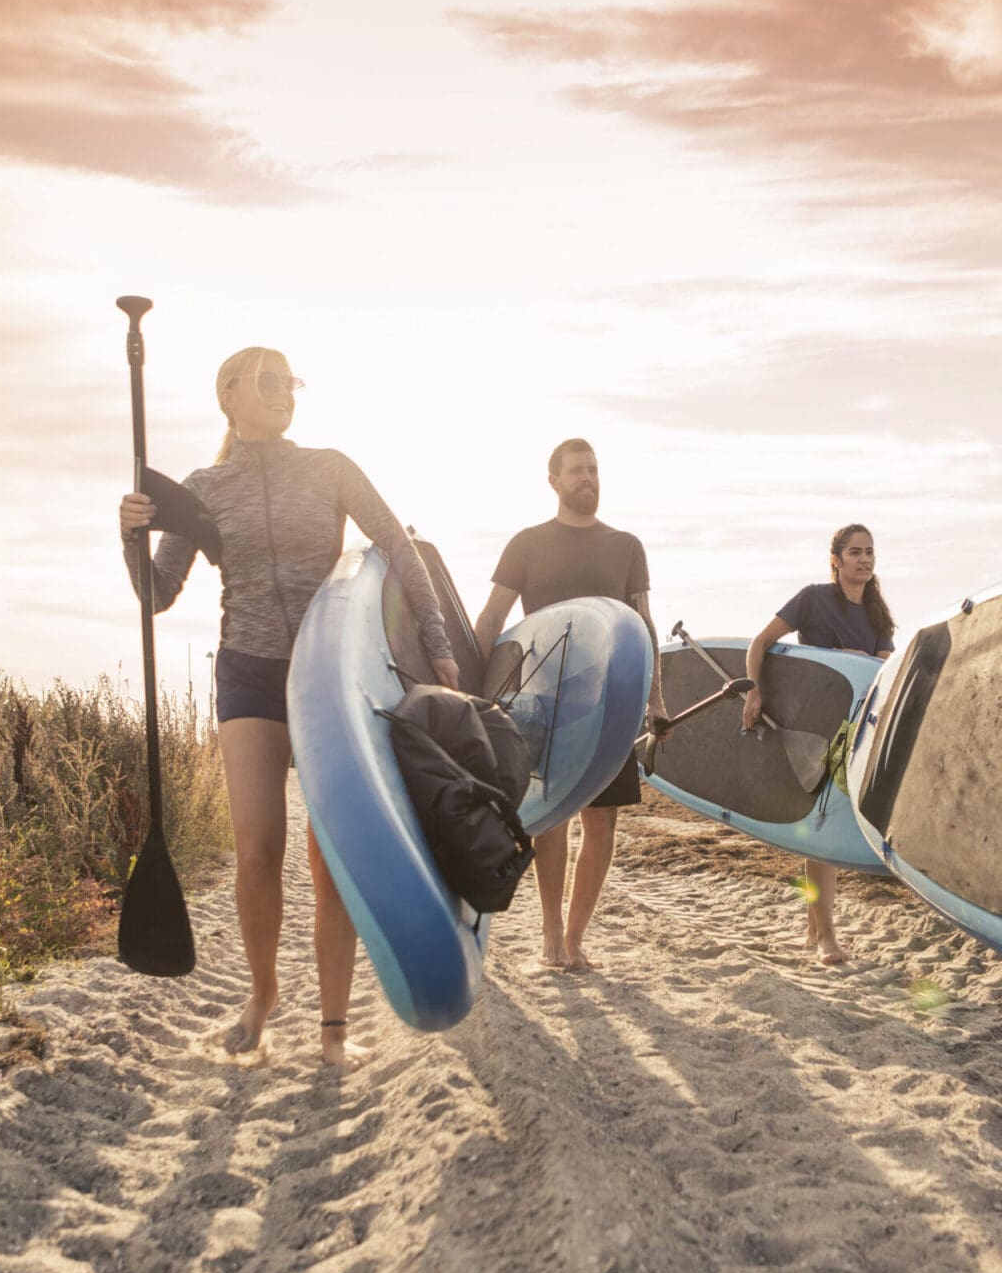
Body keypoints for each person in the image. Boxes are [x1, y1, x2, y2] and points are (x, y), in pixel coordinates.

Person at [117, 346, 459, 1068]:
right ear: (229, 396)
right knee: (256, 852)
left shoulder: (329, 466)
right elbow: (157, 594)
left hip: (329, 673)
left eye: (289, 382)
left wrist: (438, 642)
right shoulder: (202, 488)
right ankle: (263, 995)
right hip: (247, 671)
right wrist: (130, 536)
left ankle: (333, 1030)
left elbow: (400, 550)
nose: (282, 392)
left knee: (331, 855)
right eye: (266, 381)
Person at [473, 438, 669, 972]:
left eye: (595, 470)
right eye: (577, 470)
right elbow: (493, 619)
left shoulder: (626, 546)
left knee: (602, 823)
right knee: (553, 817)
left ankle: (577, 937)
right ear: (554, 480)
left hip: (611, 701)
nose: (588, 478)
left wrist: (655, 697)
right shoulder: (528, 543)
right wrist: (473, 689)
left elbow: (642, 624)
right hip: (543, 700)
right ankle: (551, 933)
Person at [742, 524, 895, 964]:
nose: (864, 559)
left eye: (869, 552)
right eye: (854, 552)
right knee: (820, 830)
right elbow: (761, 642)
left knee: (822, 827)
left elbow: (883, 670)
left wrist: (860, 662)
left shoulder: (876, 614)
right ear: (836, 561)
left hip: (853, 729)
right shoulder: (813, 599)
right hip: (813, 726)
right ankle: (827, 935)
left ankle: (813, 932)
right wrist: (755, 690)